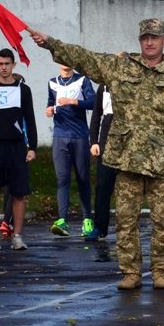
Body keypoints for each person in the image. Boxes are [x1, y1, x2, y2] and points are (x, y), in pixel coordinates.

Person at [29, 18, 164, 290]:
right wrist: (49, 43)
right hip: (126, 160)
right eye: (145, 37)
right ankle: (131, 272)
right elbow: (84, 58)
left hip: (161, 162)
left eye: (154, 37)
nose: (149, 42)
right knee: (125, 220)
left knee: (163, 221)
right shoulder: (120, 67)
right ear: (139, 40)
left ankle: (160, 271)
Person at [0, 49, 37, 252]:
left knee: (19, 193)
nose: (4, 67)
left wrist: (32, 147)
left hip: (16, 146)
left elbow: (30, 118)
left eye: (7, 64)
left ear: (13, 65)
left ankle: (17, 237)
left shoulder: (23, 90)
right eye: (0, 64)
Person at [46, 63, 96, 238]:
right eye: (60, 59)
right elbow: (50, 102)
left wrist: (74, 101)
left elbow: (93, 103)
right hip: (60, 136)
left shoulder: (82, 80)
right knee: (62, 179)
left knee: (83, 178)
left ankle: (87, 220)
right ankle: (62, 220)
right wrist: (49, 110)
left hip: (79, 136)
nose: (64, 62)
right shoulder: (52, 82)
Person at [87, 83, 117, 242]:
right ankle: (99, 227)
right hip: (106, 146)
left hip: (129, 148)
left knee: (130, 189)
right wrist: (94, 141)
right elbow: (96, 115)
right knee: (103, 186)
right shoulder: (104, 87)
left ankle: (128, 229)